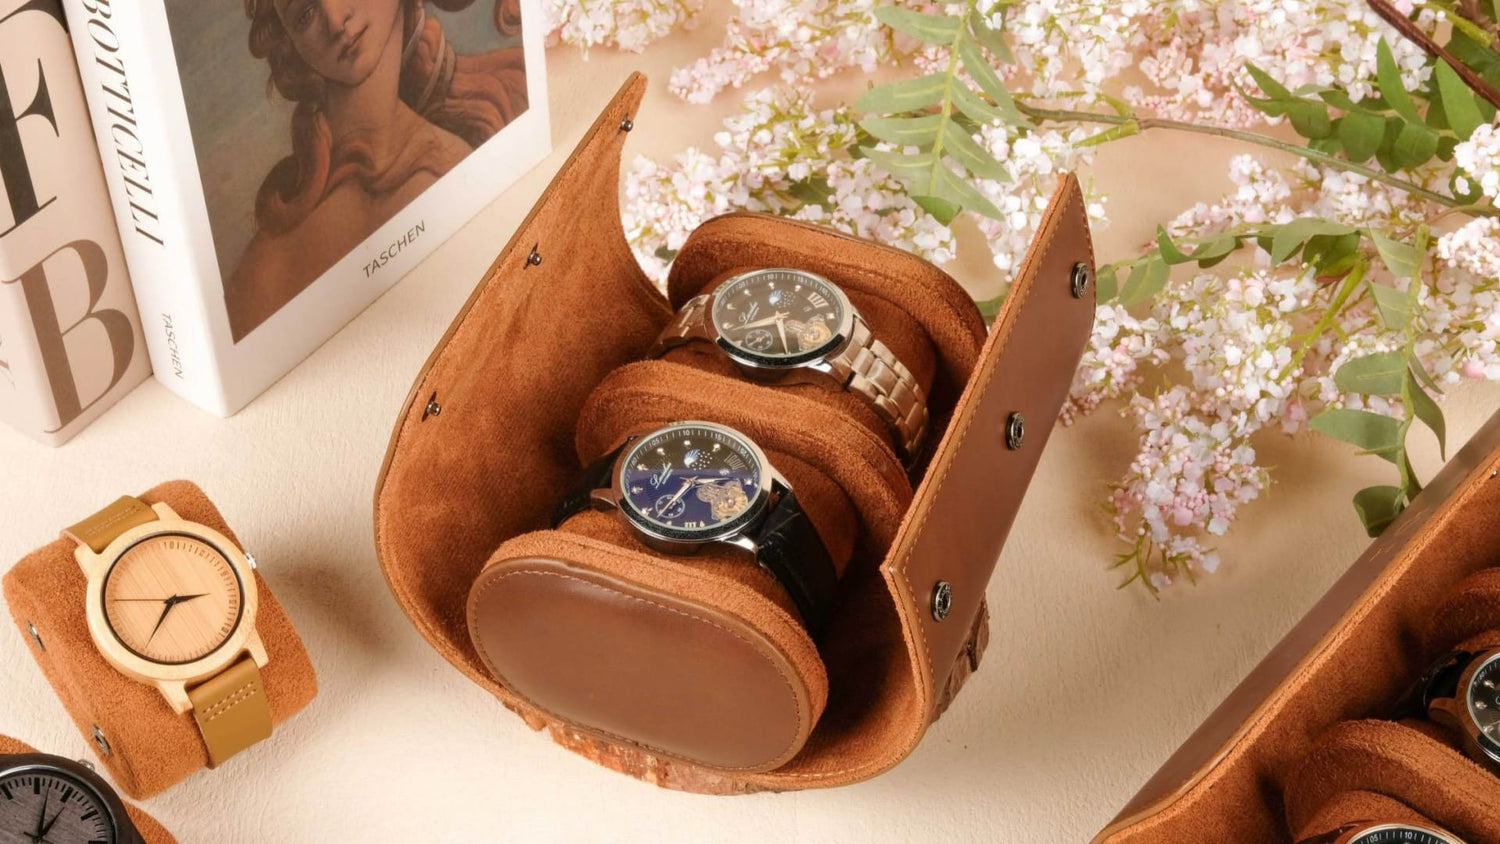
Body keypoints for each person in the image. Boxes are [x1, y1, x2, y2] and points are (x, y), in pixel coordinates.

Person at [225, 0, 527, 340]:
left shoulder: (455, 159)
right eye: (306, 14)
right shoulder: (268, 270)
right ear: (292, 43)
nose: (336, 21)